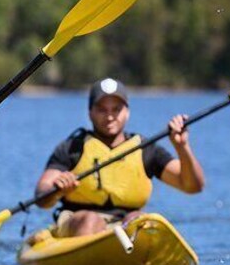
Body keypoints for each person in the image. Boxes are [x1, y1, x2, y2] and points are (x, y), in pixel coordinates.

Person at [34, 77, 204, 237]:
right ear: (90, 112)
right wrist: (57, 190)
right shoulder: (72, 148)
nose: (109, 116)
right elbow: (42, 196)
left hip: (124, 222)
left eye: (116, 109)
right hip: (77, 221)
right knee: (91, 220)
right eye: (102, 109)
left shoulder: (146, 150)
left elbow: (192, 186)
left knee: (140, 220)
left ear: (127, 112)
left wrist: (182, 147)